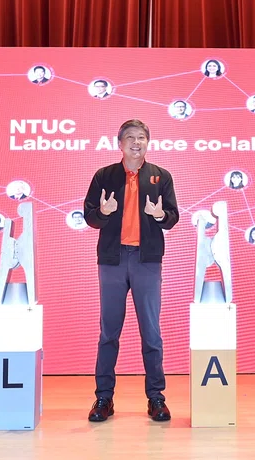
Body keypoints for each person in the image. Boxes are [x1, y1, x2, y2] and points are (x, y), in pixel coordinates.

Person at [83, 119, 180, 423]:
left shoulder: (161, 176)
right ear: (120, 144)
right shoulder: (104, 176)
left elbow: (173, 217)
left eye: (141, 138)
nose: (136, 143)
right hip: (112, 260)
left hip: (146, 260)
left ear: (148, 143)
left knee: (151, 333)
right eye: (130, 138)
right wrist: (104, 212)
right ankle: (103, 398)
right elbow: (89, 216)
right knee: (108, 332)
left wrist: (159, 213)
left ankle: (156, 398)